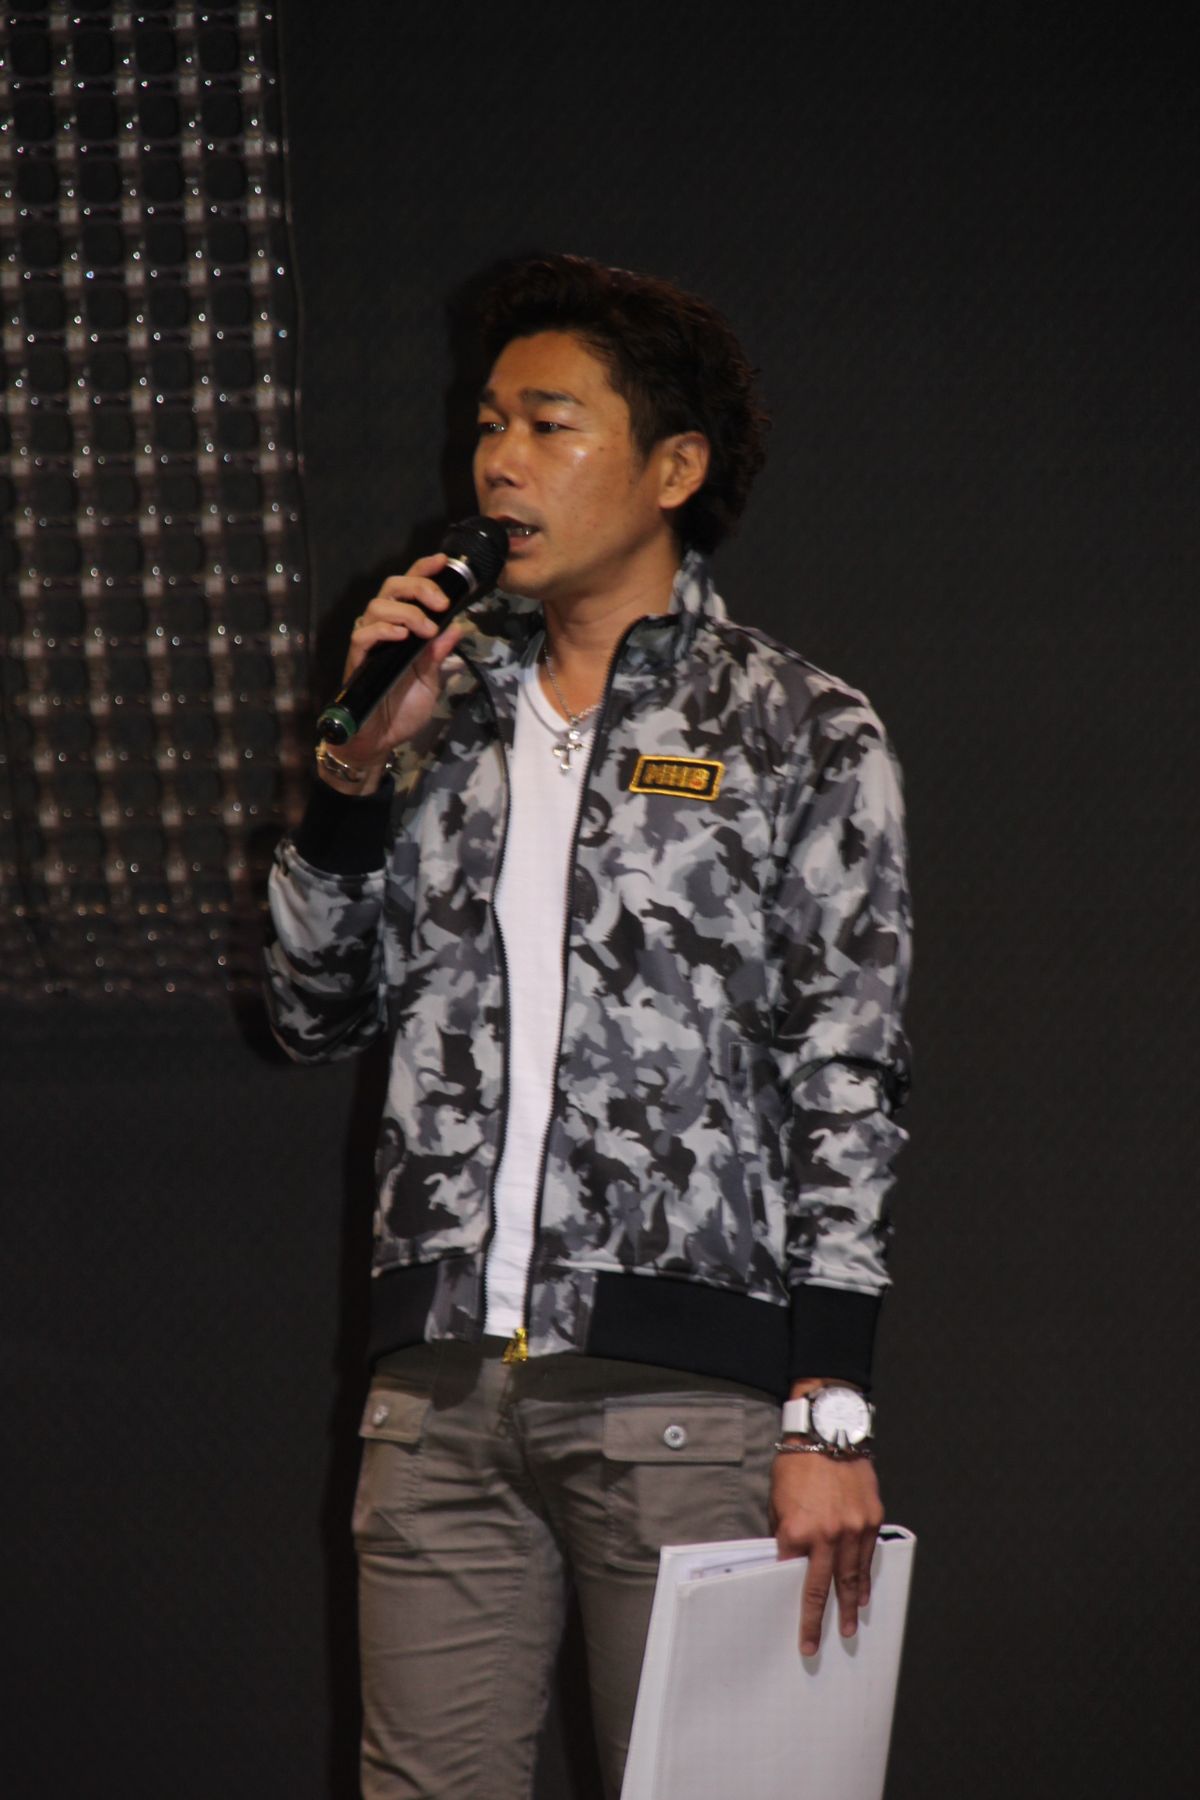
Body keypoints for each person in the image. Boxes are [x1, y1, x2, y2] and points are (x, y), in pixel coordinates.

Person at [264, 253, 911, 1800]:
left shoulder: (800, 728)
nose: (498, 464)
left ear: (673, 469)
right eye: (488, 425)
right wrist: (355, 771)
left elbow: (850, 1080)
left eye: (549, 425)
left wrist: (827, 1414)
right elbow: (305, 1013)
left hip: (684, 1406)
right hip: (435, 1399)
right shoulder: (439, 711)